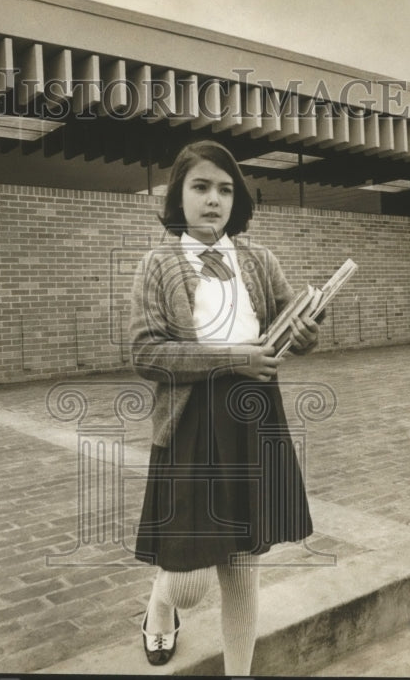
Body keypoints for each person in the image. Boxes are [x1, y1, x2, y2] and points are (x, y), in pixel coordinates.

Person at [128, 139, 319, 674]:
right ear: (178, 196)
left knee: (241, 570)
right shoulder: (158, 263)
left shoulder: (258, 259)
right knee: (188, 583)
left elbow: (291, 325)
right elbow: (145, 353)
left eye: (225, 189)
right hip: (191, 424)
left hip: (254, 419)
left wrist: (306, 333)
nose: (214, 199)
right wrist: (233, 358)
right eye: (201, 187)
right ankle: (160, 607)